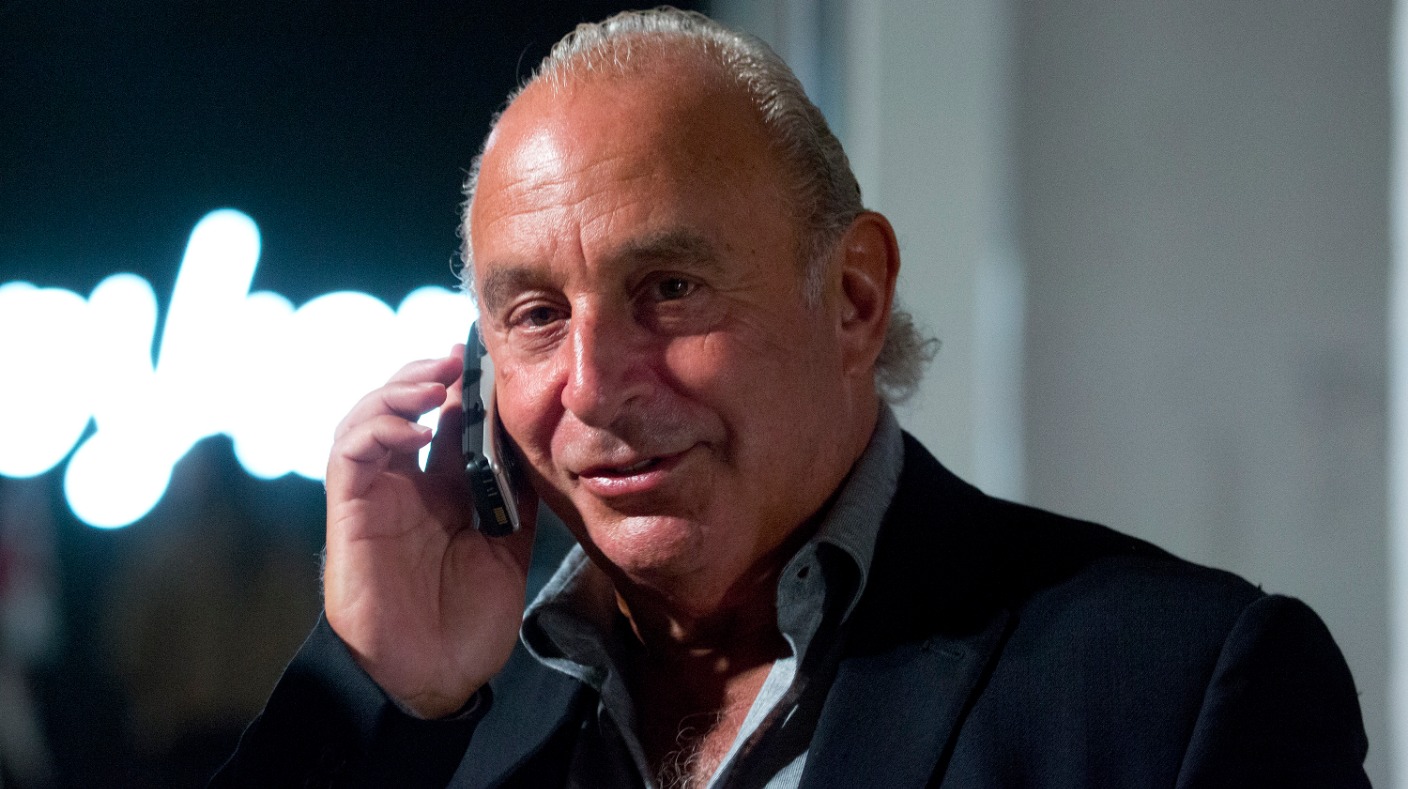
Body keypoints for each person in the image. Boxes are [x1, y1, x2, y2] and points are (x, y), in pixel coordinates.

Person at [213, 9, 1369, 788]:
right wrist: (377, 688)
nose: (594, 386)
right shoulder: (429, 723)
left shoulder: (1174, 689)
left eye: (669, 289)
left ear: (854, 296)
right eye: (536, 316)